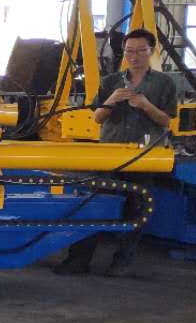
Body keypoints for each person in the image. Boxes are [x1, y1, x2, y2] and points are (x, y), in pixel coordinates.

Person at [54, 27, 178, 276]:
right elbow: (98, 118)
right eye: (129, 51)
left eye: (140, 51)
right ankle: (78, 260)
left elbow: (167, 120)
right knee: (93, 205)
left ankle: (122, 262)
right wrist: (111, 100)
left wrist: (146, 105)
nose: (134, 56)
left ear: (151, 51)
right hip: (109, 155)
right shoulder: (111, 81)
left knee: (137, 208)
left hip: (143, 157)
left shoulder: (164, 83)